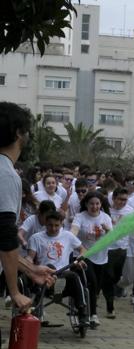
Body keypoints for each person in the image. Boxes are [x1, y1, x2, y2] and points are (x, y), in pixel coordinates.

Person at [0, 102, 56, 317]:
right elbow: (5, 236)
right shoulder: (5, 174)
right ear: (18, 133)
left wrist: (30, 269)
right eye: (27, 131)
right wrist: (14, 292)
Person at [27, 211, 89, 326]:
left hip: (64, 275)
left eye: (57, 225)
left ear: (61, 224)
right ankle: (35, 308)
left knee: (75, 276)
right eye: (50, 225)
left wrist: (81, 257)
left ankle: (83, 314)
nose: (53, 228)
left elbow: (83, 249)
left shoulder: (68, 236)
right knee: (49, 267)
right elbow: (30, 257)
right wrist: (29, 264)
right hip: (44, 276)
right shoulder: (36, 238)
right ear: (45, 223)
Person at [71, 191, 113, 326]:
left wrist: (107, 230)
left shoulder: (105, 217)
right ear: (86, 204)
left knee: (96, 287)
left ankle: (88, 307)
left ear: (101, 204)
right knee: (92, 283)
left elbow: (112, 237)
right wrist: (71, 237)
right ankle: (93, 314)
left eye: (97, 204)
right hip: (83, 256)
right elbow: (73, 232)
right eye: (91, 204)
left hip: (101, 257)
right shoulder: (80, 216)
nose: (94, 206)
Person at [105, 187, 134, 318]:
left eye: (125, 200)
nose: (123, 202)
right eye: (120, 199)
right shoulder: (106, 210)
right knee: (109, 277)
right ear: (113, 198)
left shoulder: (130, 211)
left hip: (123, 249)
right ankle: (110, 306)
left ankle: (114, 289)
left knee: (119, 278)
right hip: (107, 249)